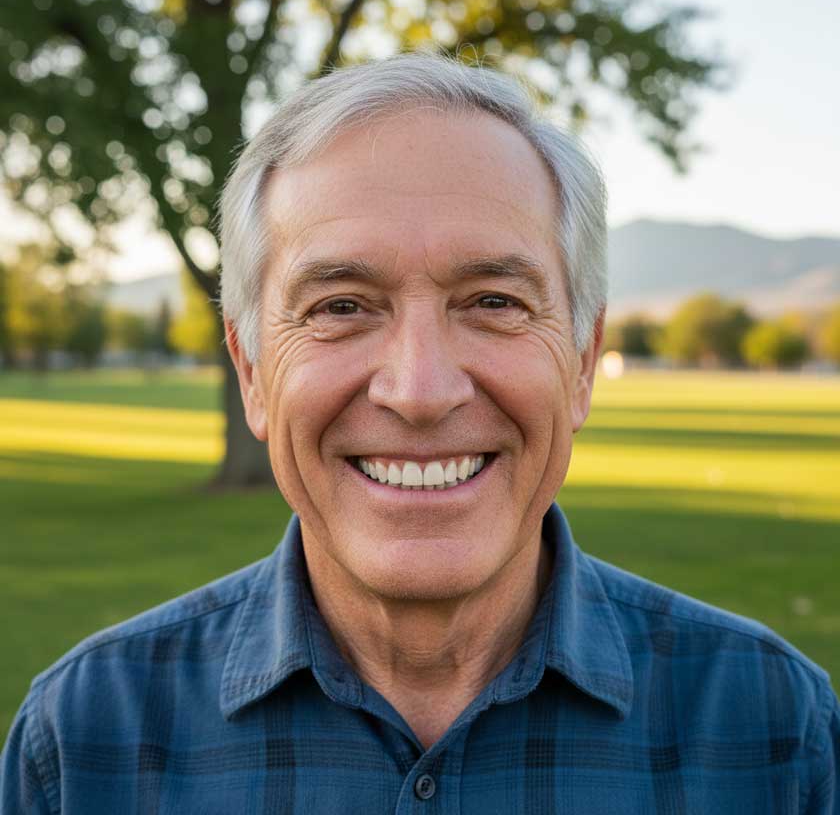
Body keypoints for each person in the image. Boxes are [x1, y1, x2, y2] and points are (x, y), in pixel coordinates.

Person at [2, 52, 838, 814]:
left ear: (582, 362)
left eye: (493, 303)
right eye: (340, 307)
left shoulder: (777, 732)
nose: (421, 391)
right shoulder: (83, 745)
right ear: (253, 373)